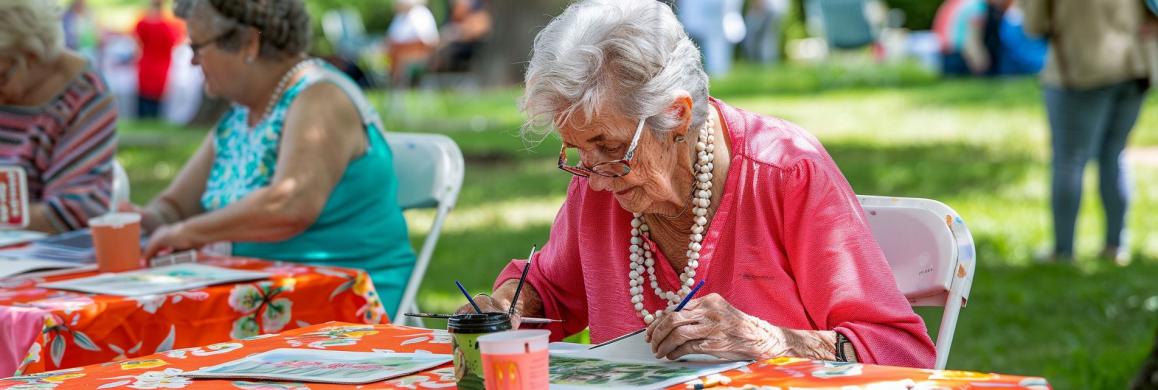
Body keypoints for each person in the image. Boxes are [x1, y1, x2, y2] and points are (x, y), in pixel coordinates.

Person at [459, 0, 935, 367]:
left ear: (678, 115)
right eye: (578, 150)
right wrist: (507, 305)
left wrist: (774, 341)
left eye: (609, 146)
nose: (596, 178)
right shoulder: (598, 177)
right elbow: (551, 290)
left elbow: (903, 352)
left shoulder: (786, 172)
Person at [142, 0, 417, 313]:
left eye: (197, 47)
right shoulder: (240, 115)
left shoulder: (322, 97)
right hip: (265, 298)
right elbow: (176, 206)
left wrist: (186, 233)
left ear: (249, 43)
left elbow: (289, 205)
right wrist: (146, 222)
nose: (192, 62)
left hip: (342, 301)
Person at [1023, 0, 1158, 264]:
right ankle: (1115, 247)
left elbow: (1033, 24)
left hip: (1080, 67)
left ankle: (1063, 252)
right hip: (1135, 65)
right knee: (1114, 155)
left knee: (1069, 160)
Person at [0, 0, 118, 233]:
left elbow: (72, 212)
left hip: (32, 254)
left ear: (31, 55)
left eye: (1, 76)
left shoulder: (83, 95)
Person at [134, 0, 183, 118]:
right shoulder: (167, 26)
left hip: (147, 65)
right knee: (155, 102)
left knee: (144, 100)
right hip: (160, 66)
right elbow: (175, 40)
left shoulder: (144, 24)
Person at [386, 0, 439, 87]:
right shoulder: (399, 17)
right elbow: (389, 40)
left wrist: (401, 49)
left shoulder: (421, 14)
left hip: (418, 57)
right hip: (395, 57)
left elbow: (429, 42)